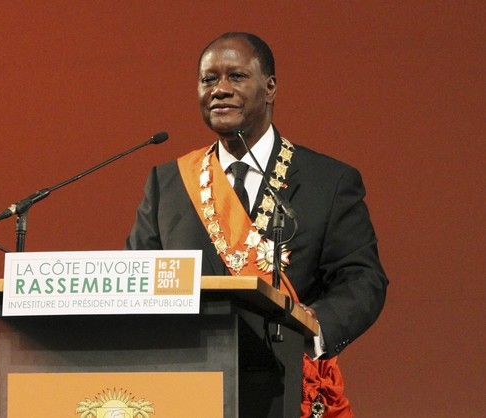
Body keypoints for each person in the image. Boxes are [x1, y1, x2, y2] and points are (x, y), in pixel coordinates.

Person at [125, 32, 388, 417]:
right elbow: (137, 281)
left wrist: (314, 326)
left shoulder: (328, 182)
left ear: (270, 88)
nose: (220, 89)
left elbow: (363, 278)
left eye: (236, 76)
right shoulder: (168, 185)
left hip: (285, 388)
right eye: (208, 79)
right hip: (186, 389)